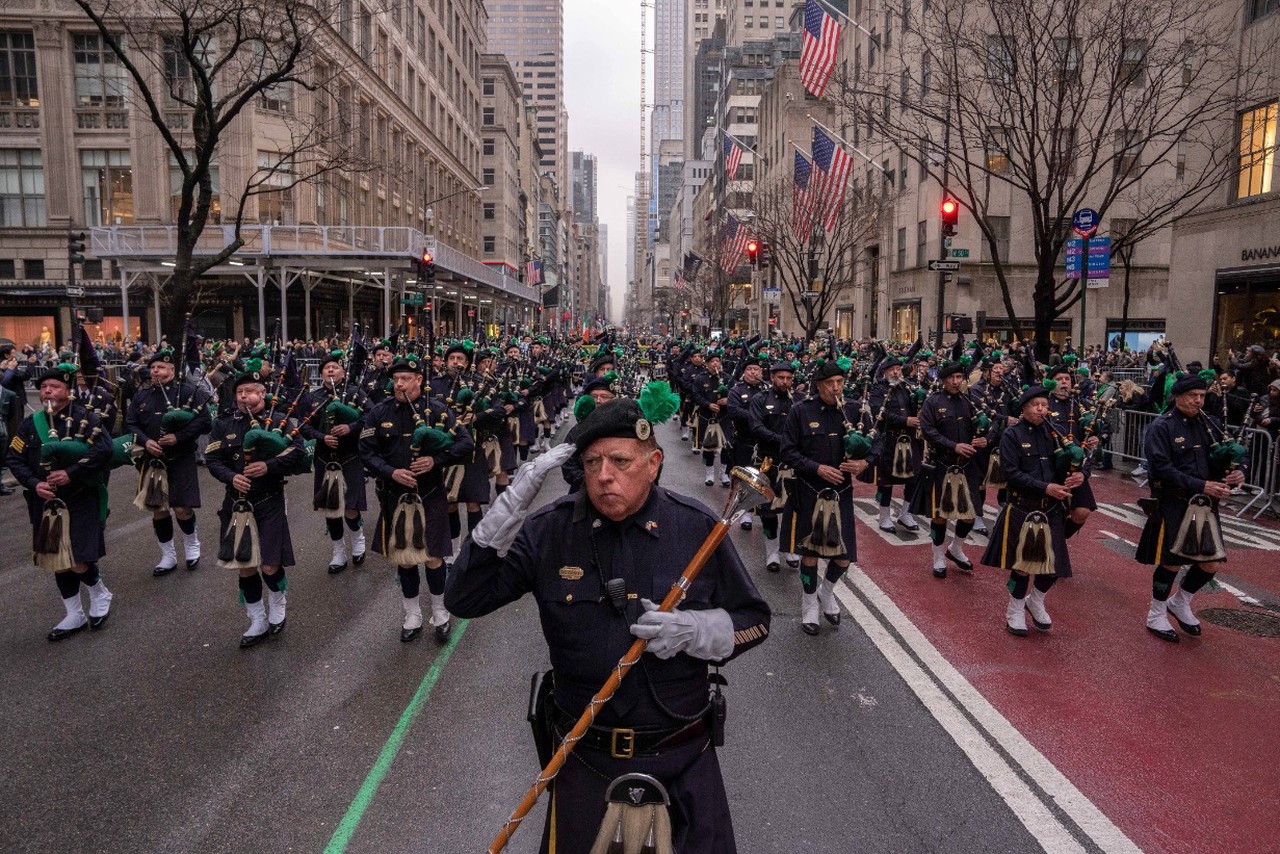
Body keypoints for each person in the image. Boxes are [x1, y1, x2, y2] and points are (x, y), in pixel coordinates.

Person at [446, 398, 770, 854]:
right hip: (583, 757)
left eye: (620, 461)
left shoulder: (695, 527)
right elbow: (464, 599)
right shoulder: (548, 531)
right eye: (592, 462)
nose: (603, 476)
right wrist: (507, 509)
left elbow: (755, 622)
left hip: (682, 758)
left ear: (653, 463)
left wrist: (698, 631)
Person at [360, 354, 473, 642]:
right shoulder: (379, 412)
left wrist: (435, 461)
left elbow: (465, 443)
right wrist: (391, 472)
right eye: (396, 379)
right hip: (394, 497)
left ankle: (440, 612)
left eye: (405, 379)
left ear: (419, 380)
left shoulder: (437, 411)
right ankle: (412, 615)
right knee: (406, 560)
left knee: (434, 558)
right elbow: (366, 451)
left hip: (430, 494)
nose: (399, 384)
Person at [6, 362, 114, 640]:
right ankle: (74, 614)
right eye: (43, 387)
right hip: (46, 501)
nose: (47, 392)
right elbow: (14, 459)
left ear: (68, 390)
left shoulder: (85, 417)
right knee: (58, 559)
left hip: (80, 497)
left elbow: (104, 451)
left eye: (54, 386)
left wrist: (71, 473)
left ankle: (99, 593)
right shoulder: (31, 424)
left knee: (78, 558)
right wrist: (34, 483)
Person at [1136, 374, 1247, 642]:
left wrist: (1238, 471)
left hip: (1205, 502)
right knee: (1172, 561)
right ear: (1177, 397)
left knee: (1212, 562)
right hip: (1173, 500)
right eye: (1192, 396)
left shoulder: (1210, 423)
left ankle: (1181, 601)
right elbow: (1161, 467)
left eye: (1202, 396)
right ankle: (1156, 613)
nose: (1198, 401)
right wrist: (1201, 484)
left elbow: (1228, 453)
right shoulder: (1161, 427)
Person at [205, 366, 306, 647]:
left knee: (271, 565)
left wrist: (269, 466)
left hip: (269, 499)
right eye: (239, 392)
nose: (243, 396)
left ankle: (277, 603)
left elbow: (298, 451)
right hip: (236, 503)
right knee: (245, 566)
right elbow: (212, 460)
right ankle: (257, 619)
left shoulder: (279, 420)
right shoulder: (224, 423)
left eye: (249, 391)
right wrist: (232, 477)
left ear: (263, 393)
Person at [780, 359, 876, 634]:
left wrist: (864, 463)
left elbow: (877, 442)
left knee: (843, 557)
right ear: (819, 385)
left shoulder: (855, 411)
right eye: (830, 384)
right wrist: (817, 468)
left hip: (841, 494)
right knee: (809, 556)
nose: (836, 389)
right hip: (809, 492)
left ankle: (826, 591)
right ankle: (809, 603)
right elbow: (787, 451)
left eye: (840, 383)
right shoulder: (800, 411)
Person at [980, 386, 1081, 636]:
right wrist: (1045, 487)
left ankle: (1035, 600)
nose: (1041, 409)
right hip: (1023, 507)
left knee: (1053, 565)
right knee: (1023, 566)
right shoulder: (1012, 435)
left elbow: (1078, 459)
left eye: (1044, 405)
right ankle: (1014, 609)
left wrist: (1080, 472)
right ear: (1023, 408)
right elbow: (1012, 473)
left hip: (1052, 509)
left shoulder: (1056, 433)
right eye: (1035, 404)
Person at [126, 348, 213, 575]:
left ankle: (192, 544)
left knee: (182, 508)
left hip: (181, 458)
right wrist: (145, 442)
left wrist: (179, 437)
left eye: (161, 367)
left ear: (172, 369)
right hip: (152, 460)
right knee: (159, 510)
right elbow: (131, 423)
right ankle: (168, 555)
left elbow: (205, 421)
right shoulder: (142, 395)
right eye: (153, 368)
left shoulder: (187, 392)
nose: (156, 371)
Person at [919, 361, 995, 578]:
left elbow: (994, 423)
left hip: (968, 467)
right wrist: (954, 445)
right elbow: (928, 430)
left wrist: (986, 439)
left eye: (959, 378)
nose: (955, 382)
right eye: (951, 378)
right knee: (940, 516)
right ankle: (938, 556)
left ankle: (956, 548)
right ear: (943, 380)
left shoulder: (971, 400)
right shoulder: (933, 402)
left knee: (970, 514)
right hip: (943, 464)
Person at [302, 350, 371, 573]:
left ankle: (358, 541)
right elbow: (304, 427)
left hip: (350, 456)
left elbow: (370, 418)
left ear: (343, 371)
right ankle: (338, 551)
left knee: (350, 507)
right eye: (326, 368)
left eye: (335, 367)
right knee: (331, 508)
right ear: (321, 373)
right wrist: (323, 437)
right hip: (325, 457)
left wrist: (349, 427)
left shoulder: (355, 393)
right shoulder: (314, 398)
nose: (330, 370)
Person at [747, 360, 800, 571]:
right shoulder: (760, 399)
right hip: (768, 461)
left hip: (792, 462)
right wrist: (782, 440)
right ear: (772, 377)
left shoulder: (798, 400)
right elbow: (756, 426)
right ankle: (771, 552)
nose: (785, 382)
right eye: (781, 378)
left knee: (792, 508)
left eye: (788, 378)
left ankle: (790, 548)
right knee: (768, 510)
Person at [866, 355, 924, 533]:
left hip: (910, 439)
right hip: (889, 440)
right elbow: (879, 414)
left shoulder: (907, 388)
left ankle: (905, 514)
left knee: (914, 478)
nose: (896, 371)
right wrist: (905, 420)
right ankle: (884, 517)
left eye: (898, 369)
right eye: (892, 369)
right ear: (884, 372)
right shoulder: (877, 390)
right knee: (887, 481)